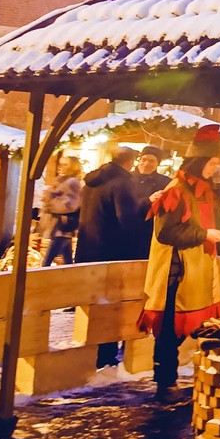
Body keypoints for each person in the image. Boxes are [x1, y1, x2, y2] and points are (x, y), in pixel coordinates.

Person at [139, 127, 220, 402]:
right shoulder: (176, 190)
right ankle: (165, 383)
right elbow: (167, 232)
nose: (215, 169)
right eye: (212, 163)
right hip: (176, 270)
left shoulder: (204, 190)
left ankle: (200, 377)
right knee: (169, 330)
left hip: (198, 267)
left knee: (198, 325)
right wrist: (205, 234)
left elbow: (199, 225)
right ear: (199, 162)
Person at [78, 146, 150, 366]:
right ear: (130, 162)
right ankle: (107, 355)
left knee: (96, 304)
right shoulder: (123, 182)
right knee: (114, 304)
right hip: (114, 251)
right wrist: (148, 203)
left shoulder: (93, 181)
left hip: (90, 249)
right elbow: (127, 219)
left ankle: (96, 352)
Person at [37, 154, 84, 266]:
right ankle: (70, 273)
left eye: (65, 164)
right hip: (60, 225)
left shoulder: (72, 182)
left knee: (49, 257)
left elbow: (70, 204)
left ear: (72, 167)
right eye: (60, 164)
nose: (61, 167)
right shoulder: (62, 181)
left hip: (62, 224)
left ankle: (42, 274)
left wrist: (50, 202)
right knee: (66, 255)